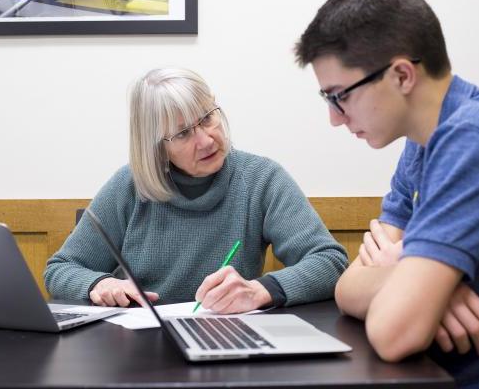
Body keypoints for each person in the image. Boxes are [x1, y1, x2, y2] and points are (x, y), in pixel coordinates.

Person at [295, 0, 479, 388]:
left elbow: (393, 334)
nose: (335, 118)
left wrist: (407, 279)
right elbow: (347, 288)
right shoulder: (422, 143)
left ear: (402, 75)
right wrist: (424, 283)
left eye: (340, 96)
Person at [44, 68, 347, 314]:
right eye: (183, 133)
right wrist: (98, 284)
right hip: (138, 351)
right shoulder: (128, 186)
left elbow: (329, 260)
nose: (206, 140)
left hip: (227, 341)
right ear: (156, 147)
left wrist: (260, 290)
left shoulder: (261, 179)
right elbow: (61, 268)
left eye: (207, 118)